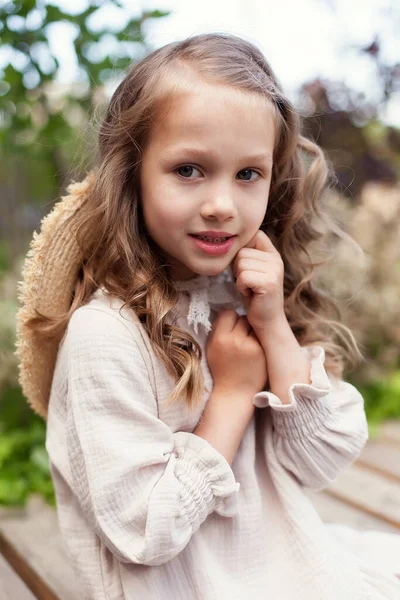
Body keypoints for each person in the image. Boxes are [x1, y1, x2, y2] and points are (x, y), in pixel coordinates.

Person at [15, 33, 400, 600]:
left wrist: (273, 326)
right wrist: (232, 394)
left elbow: (320, 462)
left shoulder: (242, 294)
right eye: (189, 169)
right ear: (134, 174)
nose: (222, 203)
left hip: (280, 564)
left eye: (248, 174)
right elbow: (146, 530)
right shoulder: (105, 335)